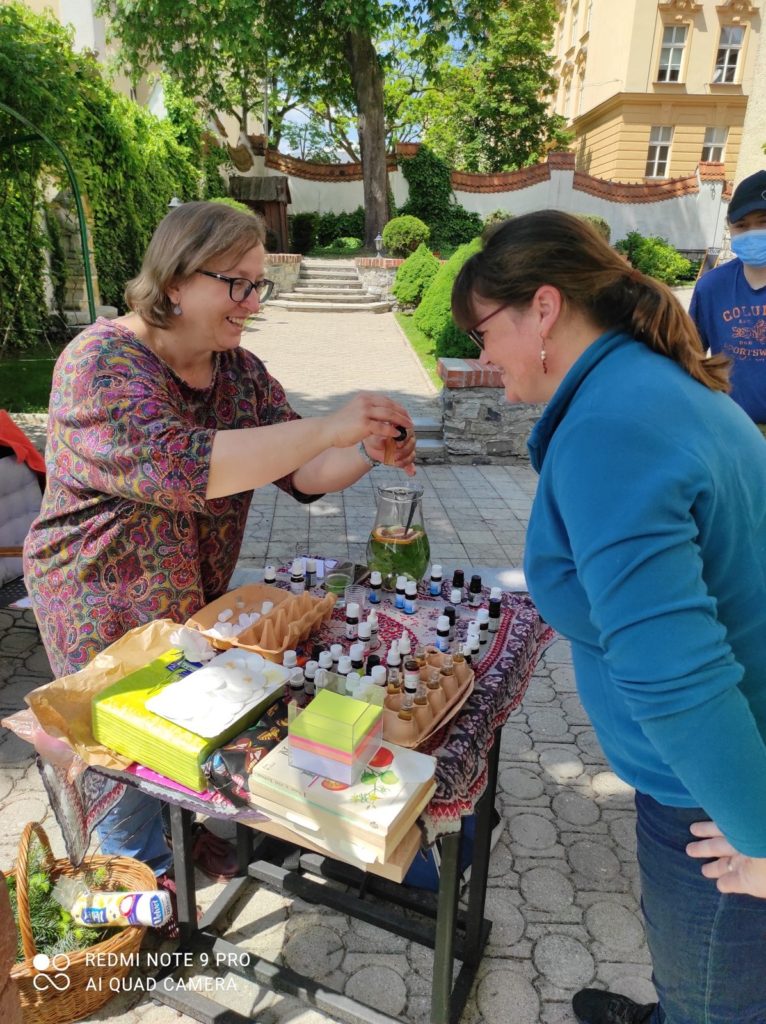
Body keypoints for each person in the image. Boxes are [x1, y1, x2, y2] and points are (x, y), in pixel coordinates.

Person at [23, 200, 416, 891]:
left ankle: (186, 831)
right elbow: (187, 466)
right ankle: (133, 881)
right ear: (176, 281)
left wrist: (364, 449)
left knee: (184, 723)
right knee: (121, 745)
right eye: (236, 282)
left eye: (257, 283)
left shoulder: (239, 371)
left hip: (188, 596)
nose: (252, 302)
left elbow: (302, 470)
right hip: (98, 597)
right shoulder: (99, 364)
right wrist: (327, 427)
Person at [451, 210, 766, 1024]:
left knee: (714, 1002)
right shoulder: (645, 383)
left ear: (543, 308)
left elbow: (679, 676)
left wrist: (761, 836)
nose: (481, 355)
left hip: (717, 788)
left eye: (482, 330)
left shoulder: (609, 428)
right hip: (719, 768)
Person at [689, 168, 766, 429]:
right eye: (741, 225)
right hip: (730, 426)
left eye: (763, 222)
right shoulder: (712, 287)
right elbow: (691, 356)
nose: (753, 232)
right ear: (730, 228)